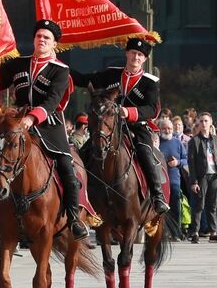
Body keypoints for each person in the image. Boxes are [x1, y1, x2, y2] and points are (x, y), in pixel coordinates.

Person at [0, 19, 88, 238]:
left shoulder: (60, 70)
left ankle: (74, 218)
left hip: (49, 125)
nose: (42, 40)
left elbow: (52, 100)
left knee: (67, 166)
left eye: (47, 38)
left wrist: (32, 117)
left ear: (54, 44)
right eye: (39, 36)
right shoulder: (19, 63)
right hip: (18, 124)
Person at [67, 37, 171, 216]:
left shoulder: (150, 81)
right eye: (133, 53)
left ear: (144, 59)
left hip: (136, 127)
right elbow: (85, 80)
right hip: (109, 126)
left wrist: (128, 112)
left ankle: (157, 195)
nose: (136, 57)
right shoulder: (112, 74)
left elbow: (153, 109)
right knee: (84, 152)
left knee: (145, 152)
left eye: (140, 55)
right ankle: (77, 195)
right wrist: (61, 67)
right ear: (126, 54)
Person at [186, 112, 217, 243]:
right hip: (201, 176)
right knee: (199, 205)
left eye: (206, 121)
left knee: (212, 205)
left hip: (214, 175)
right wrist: (194, 181)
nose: (204, 123)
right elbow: (191, 163)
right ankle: (195, 232)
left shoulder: (215, 140)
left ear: (210, 123)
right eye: (201, 121)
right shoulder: (194, 141)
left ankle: (213, 232)